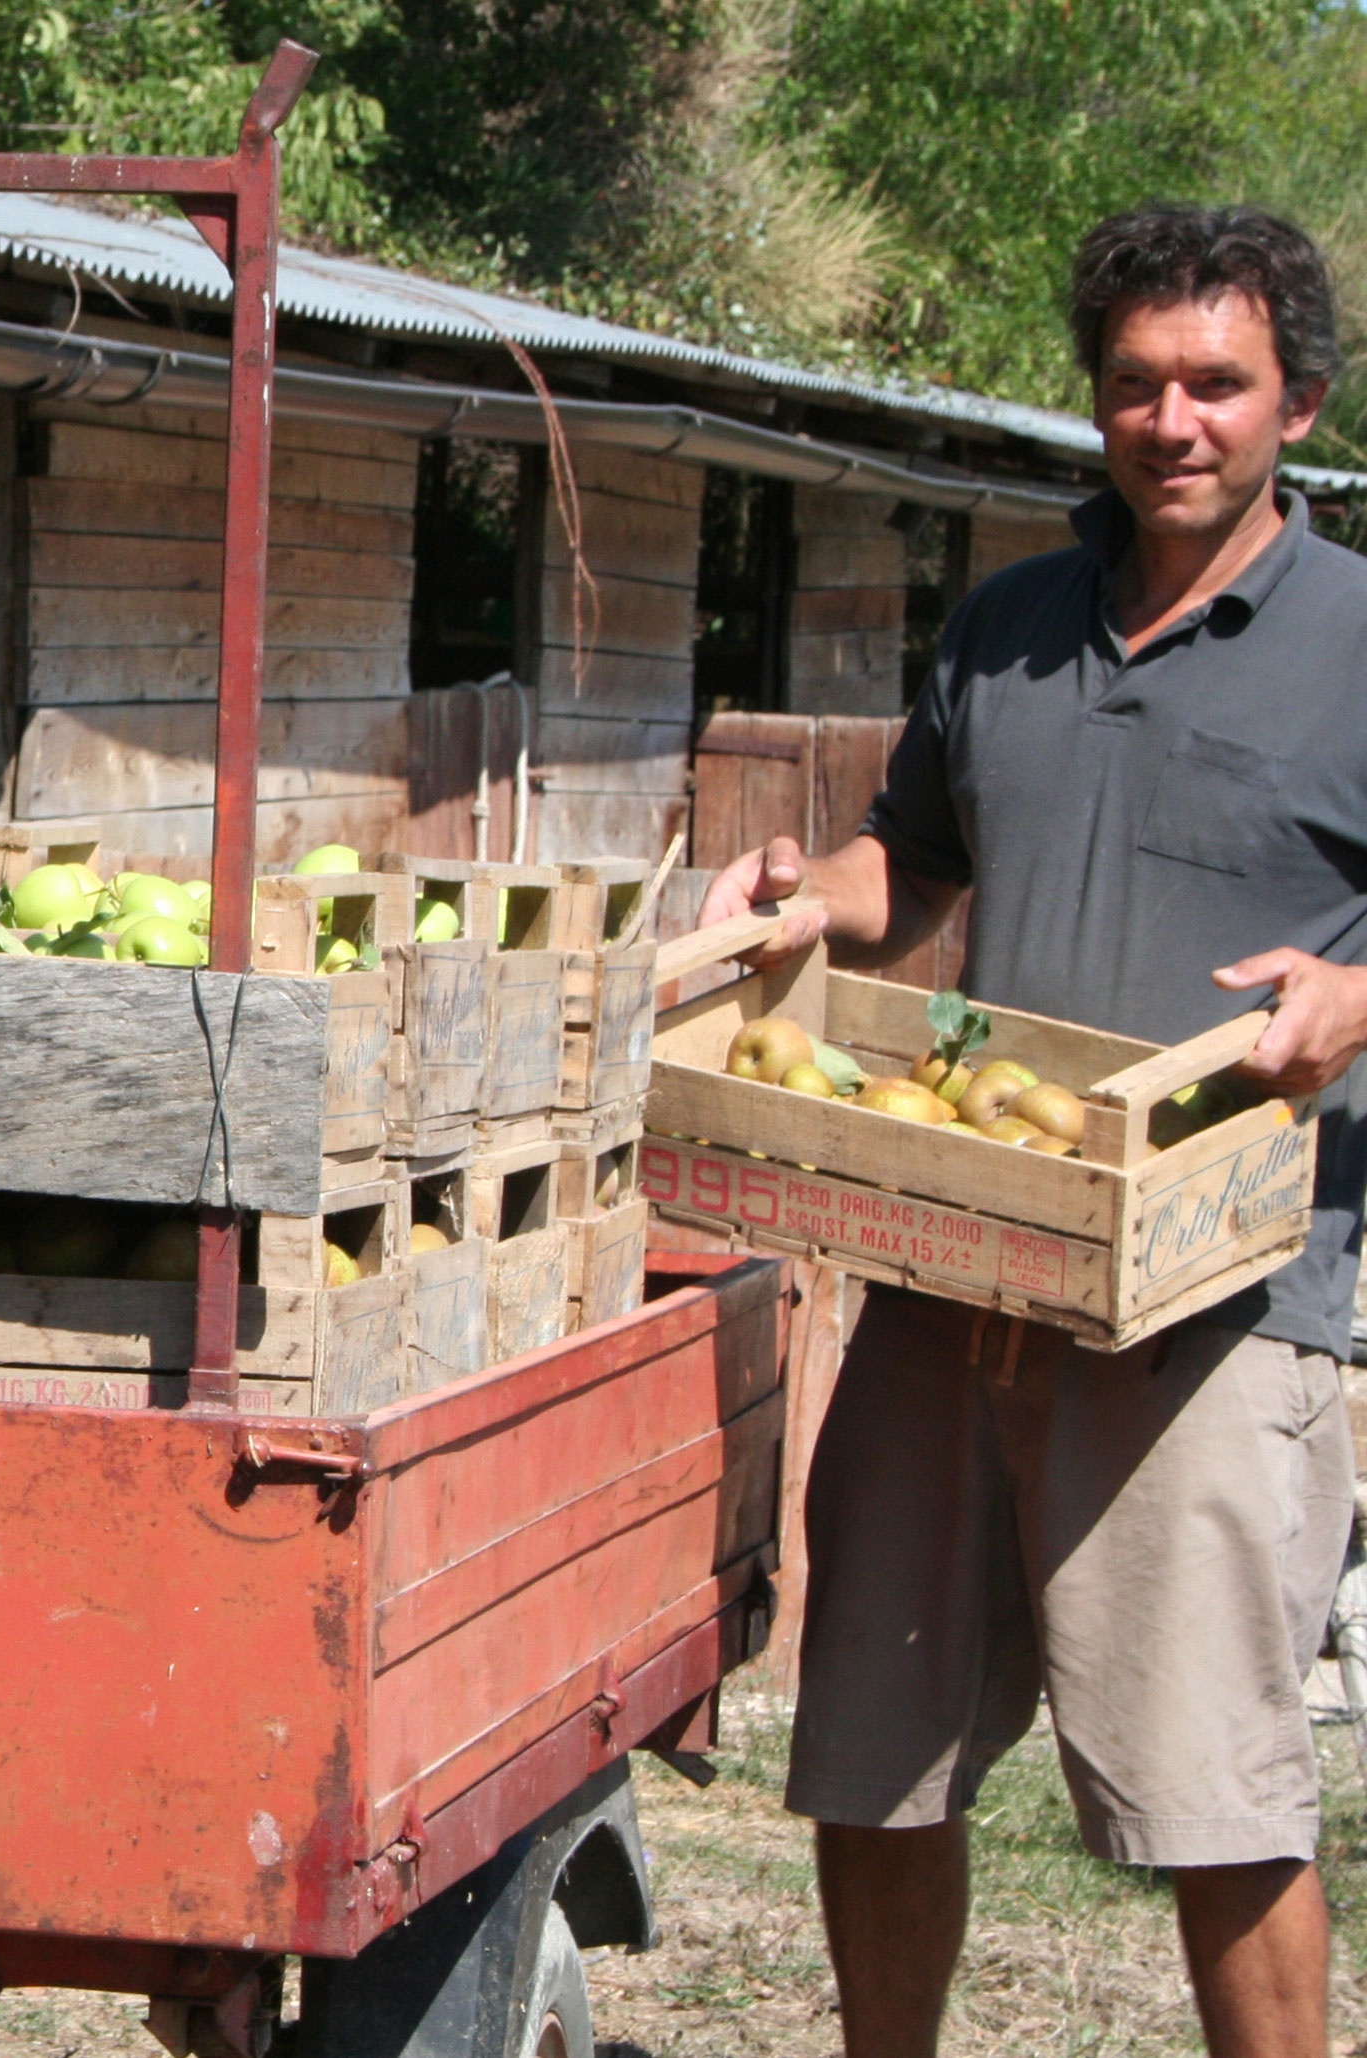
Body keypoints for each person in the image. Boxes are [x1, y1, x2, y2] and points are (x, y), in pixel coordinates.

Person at [701, 203, 1367, 2058]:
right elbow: (910, 854)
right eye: (1139, 383)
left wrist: (1351, 1001)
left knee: (1214, 1801)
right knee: (872, 1758)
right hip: (960, 1267)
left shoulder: (1362, 642)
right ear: (1096, 401)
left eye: (1218, 384)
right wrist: (814, 895)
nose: (1177, 421)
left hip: (1219, 1306)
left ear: (1294, 403)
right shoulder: (1006, 624)